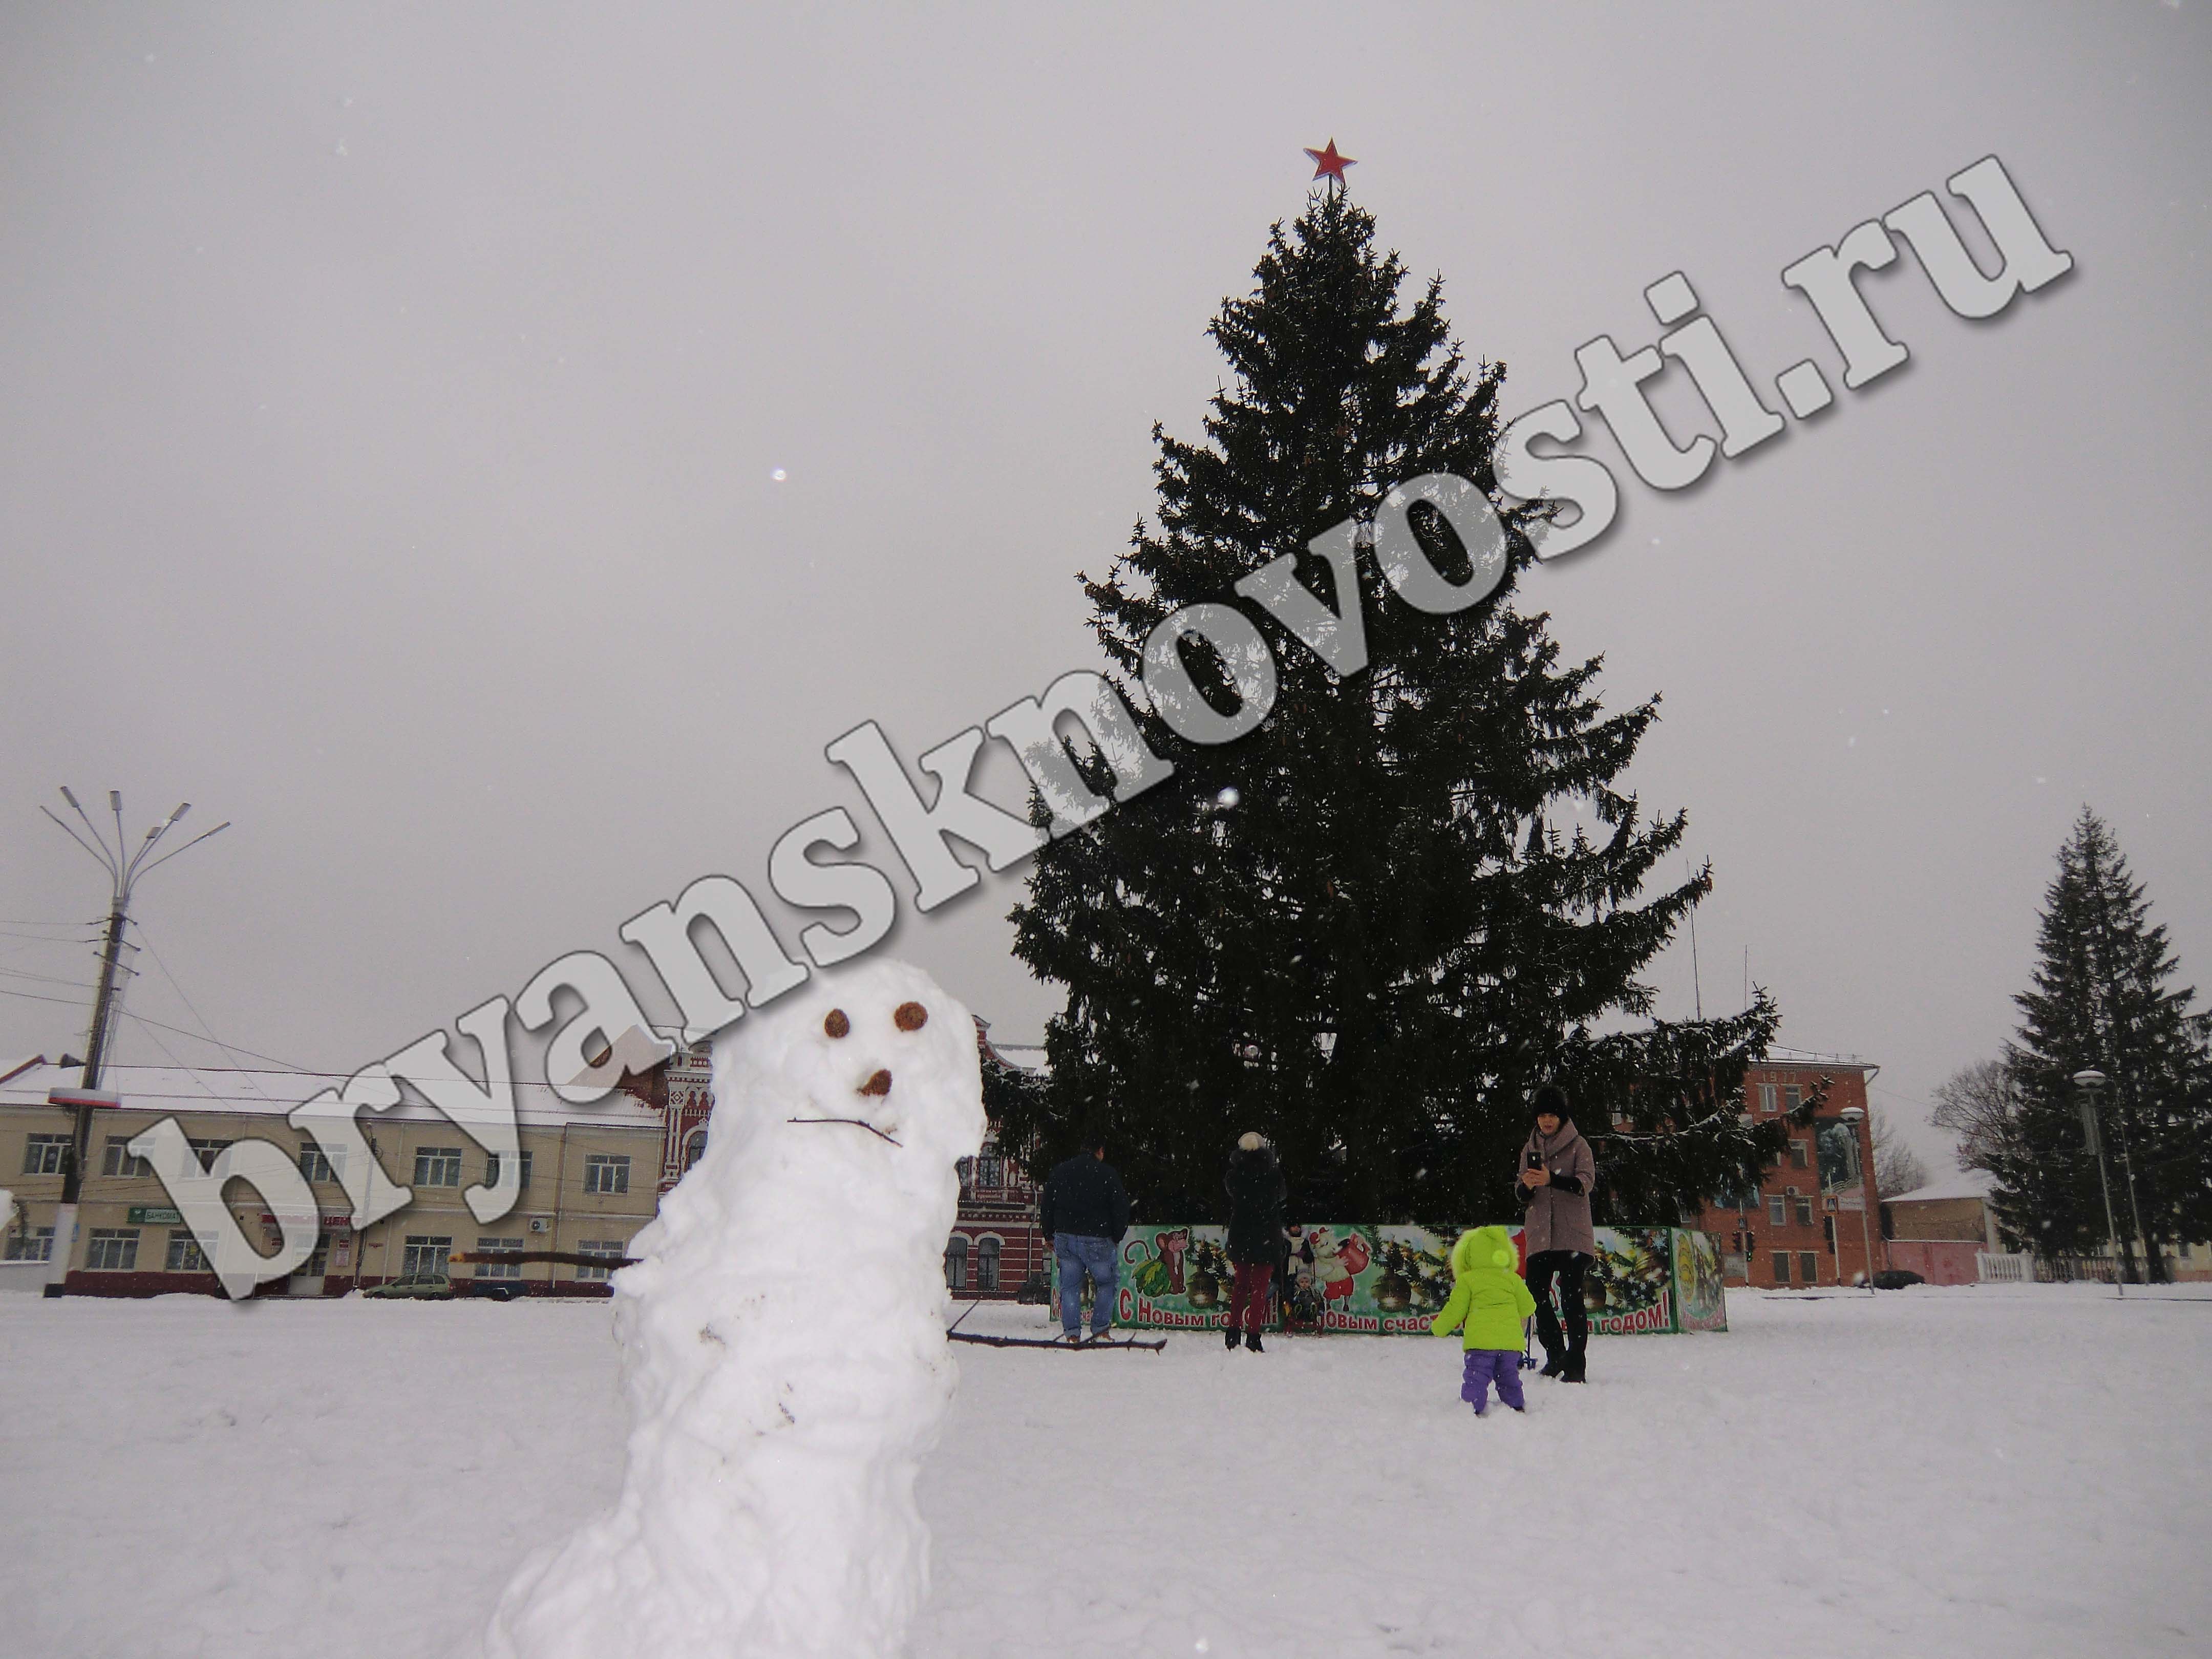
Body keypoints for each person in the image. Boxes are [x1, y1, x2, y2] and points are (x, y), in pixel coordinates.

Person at [1515, 1083, 1596, 1382]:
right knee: (1535, 1295)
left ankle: (1576, 1363)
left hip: (1572, 1235)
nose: (1547, 1121)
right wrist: (1528, 1185)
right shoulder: (1529, 1149)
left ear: (1562, 1117)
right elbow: (1520, 1193)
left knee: (1571, 1298)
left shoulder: (1579, 1146)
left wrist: (1553, 1179)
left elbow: (1585, 1183)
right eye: (1542, 1116)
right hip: (1539, 1236)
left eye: (1552, 1115)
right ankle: (1556, 1355)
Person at [1430, 1224, 1538, 1415]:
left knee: (1477, 1376)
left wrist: (1440, 1327)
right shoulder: (1512, 1279)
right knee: (1508, 1376)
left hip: (1481, 1343)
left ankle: (1472, 1406)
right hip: (1510, 1343)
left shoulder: (1468, 1280)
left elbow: (1456, 1309)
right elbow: (1529, 1307)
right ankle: (1516, 1404)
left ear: (1467, 1255)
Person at [1038, 1129, 1131, 1344]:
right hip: (1099, 1239)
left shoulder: (1061, 1171)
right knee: (1106, 1283)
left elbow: (1047, 1205)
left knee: (1070, 1286)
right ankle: (1100, 1329)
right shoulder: (1107, 1174)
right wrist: (1116, 1235)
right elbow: (1121, 1208)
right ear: (1100, 1151)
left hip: (1066, 1237)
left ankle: (1072, 1334)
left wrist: (1049, 1234)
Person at [1222, 1132, 1286, 1352]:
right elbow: (1282, 1195)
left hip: (1242, 1236)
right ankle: (1253, 1335)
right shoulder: (1273, 1174)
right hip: (1267, 1236)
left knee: (1240, 1286)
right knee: (1260, 1288)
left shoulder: (1234, 1175)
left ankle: (1233, 1332)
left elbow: (1233, 1193)